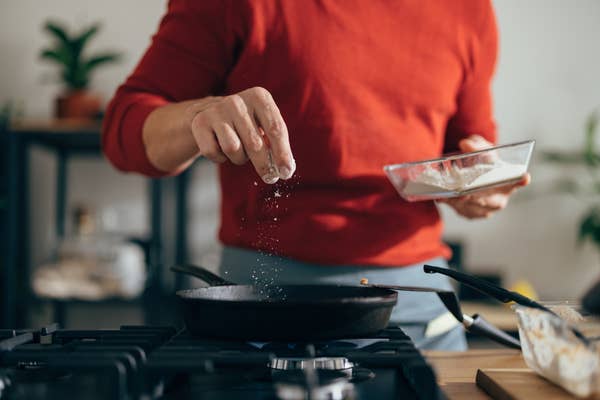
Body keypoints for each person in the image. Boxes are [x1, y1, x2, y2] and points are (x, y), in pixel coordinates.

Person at [102, 0, 528, 350]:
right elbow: (123, 131)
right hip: (262, 305)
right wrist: (198, 115)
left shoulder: (467, 9)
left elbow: (471, 149)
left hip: (419, 306)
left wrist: (478, 185)